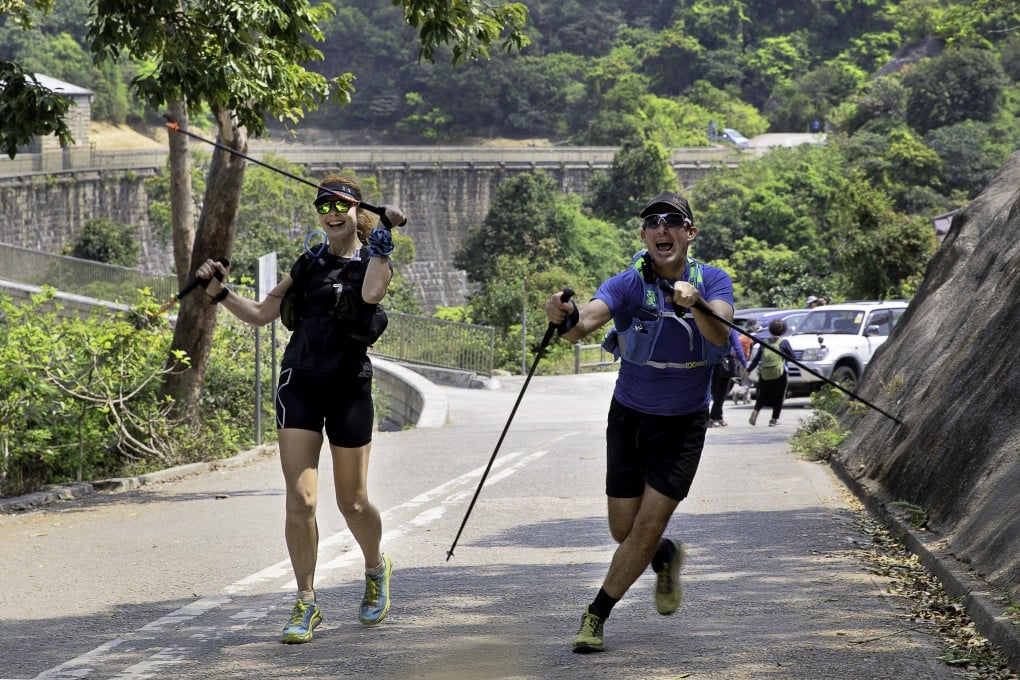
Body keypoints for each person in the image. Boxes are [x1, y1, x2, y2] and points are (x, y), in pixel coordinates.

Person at [196, 174, 405, 644]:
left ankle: (376, 568)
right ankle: (306, 601)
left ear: (357, 211)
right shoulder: (308, 263)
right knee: (301, 499)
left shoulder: (374, 259)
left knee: (353, 502)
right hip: (300, 384)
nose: (332, 214)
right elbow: (260, 314)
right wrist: (219, 292)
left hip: (349, 387)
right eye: (323, 207)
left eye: (340, 205)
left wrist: (385, 238)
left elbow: (372, 294)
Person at [544, 190, 734, 654]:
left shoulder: (713, 280)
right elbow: (583, 324)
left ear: (690, 232)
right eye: (653, 222)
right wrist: (564, 317)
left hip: (684, 424)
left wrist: (695, 303)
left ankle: (596, 614)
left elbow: (721, 333)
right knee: (623, 531)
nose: (661, 228)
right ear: (645, 235)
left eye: (672, 221)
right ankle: (664, 555)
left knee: (645, 528)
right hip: (629, 416)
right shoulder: (628, 284)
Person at [747, 318, 794, 427]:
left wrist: (748, 370)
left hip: (765, 374)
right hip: (780, 374)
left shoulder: (764, 342)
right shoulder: (784, 342)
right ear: (783, 330)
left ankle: (756, 410)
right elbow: (793, 357)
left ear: (770, 330)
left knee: (762, 395)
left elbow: (757, 359)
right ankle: (774, 419)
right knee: (779, 396)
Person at [708, 326, 748, 427]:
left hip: (711, 362)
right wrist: (744, 364)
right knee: (722, 393)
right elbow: (737, 347)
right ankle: (713, 417)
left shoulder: (710, 326)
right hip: (725, 364)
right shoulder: (730, 328)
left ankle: (718, 417)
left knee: (716, 392)